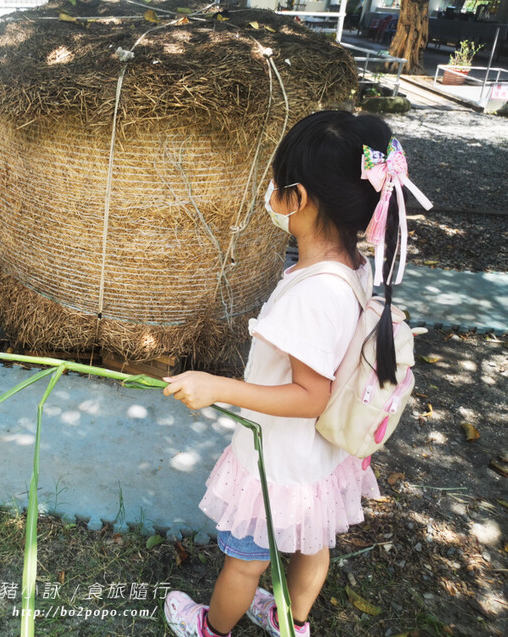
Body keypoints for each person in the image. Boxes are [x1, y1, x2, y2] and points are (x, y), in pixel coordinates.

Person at [161, 110, 417, 637]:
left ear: (296, 199)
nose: (269, 191)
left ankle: (212, 628)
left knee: (244, 562)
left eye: (276, 181)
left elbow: (309, 396)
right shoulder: (351, 266)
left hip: (277, 461)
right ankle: (291, 620)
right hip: (318, 459)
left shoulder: (313, 295)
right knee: (313, 544)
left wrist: (217, 388)